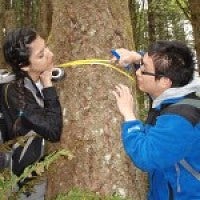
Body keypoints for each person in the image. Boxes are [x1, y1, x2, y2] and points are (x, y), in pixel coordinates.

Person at [112, 41, 200, 200]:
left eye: (143, 69)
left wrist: (129, 116)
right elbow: (161, 68)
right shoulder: (182, 87)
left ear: (166, 82)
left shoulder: (180, 119)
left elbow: (146, 157)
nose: (138, 72)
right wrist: (134, 56)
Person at [1, 27, 63, 199]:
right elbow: (53, 131)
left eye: (47, 47)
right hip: (22, 183)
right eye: (41, 55)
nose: (50, 55)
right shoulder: (14, 94)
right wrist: (49, 87)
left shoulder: (32, 80)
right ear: (24, 66)